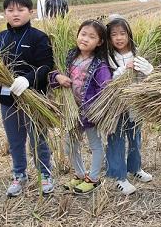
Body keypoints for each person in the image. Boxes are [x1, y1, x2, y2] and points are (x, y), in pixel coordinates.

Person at [0, 0, 55, 196]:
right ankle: (19, 175)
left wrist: (27, 79)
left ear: (31, 12)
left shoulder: (39, 37)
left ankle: (45, 174)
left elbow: (46, 65)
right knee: (15, 140)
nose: (15, 14)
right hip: (8, 100)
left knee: (38, 138)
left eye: (20, 10)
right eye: (10, 10)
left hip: (34, 97)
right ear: (4, 14)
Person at [49, 19, 111, 194]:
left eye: (92, 37)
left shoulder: (99, 64)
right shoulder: (68, 56)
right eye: (83, 34)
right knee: (70, 145)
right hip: (70, 111)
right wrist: (58, 78)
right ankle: (79, 174)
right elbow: (53, 74)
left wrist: (99, 108)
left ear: (99, 42)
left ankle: (93, 178)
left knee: (95, 145)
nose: (85, 39)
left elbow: (106, 85)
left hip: (89, 112)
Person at [104, 15, 154, 195]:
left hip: (134, 104)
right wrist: (124, 70)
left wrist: (149, 71)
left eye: (122, 33)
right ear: (108, 38)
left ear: (129, 34)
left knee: (135, 137)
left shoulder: (138, 52)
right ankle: (119, 176)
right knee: (116, 140)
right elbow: (106, 81)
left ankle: (135, 168)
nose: (119, 38)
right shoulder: (107, 57)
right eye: (114, 34)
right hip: (114, 106)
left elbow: (145, 79)